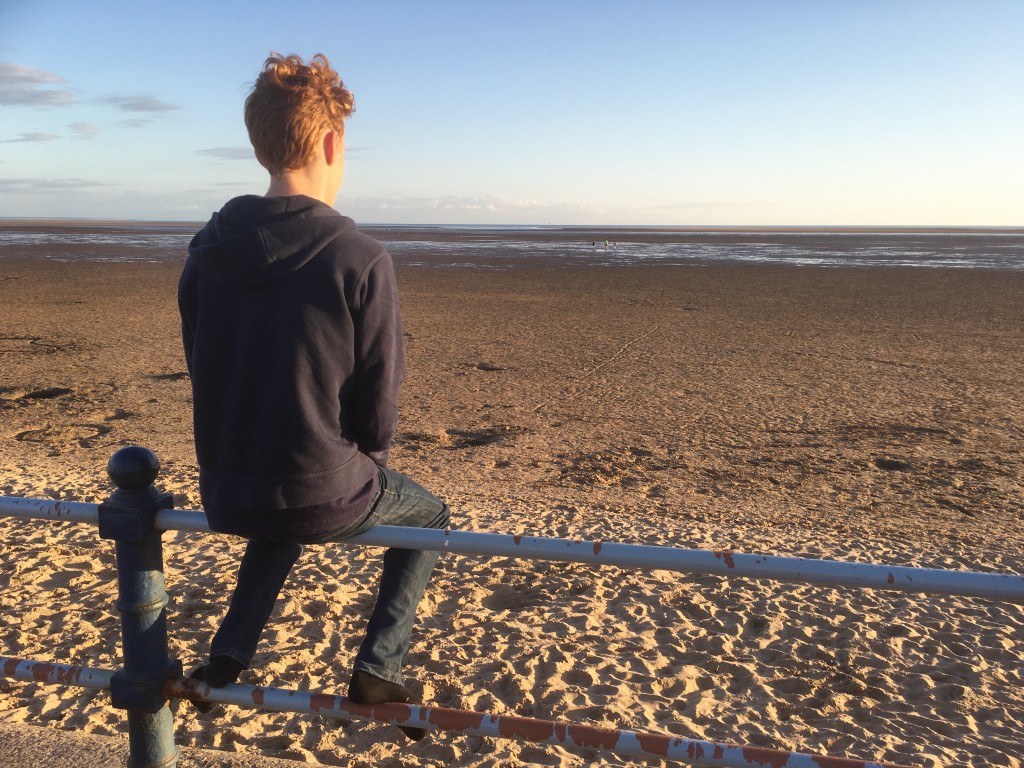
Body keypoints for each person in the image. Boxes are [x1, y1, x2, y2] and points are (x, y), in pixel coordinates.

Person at [177, 52, 449, 741]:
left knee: (287, 498)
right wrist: (367, 454)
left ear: (260, 143)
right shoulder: (359, 257)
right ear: (333, 144)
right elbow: (377, 407)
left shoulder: (204, 254)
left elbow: (202, 369)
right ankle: (380, 666)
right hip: (322, 490)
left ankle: (228, 658)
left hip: (227, 490)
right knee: (429, 515)